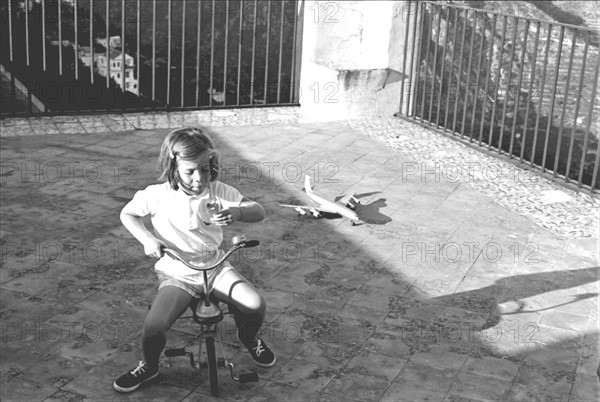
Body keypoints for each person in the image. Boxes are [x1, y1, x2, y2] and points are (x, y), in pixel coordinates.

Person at [113, 127, 275, 393]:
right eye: (190, 171)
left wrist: (236, 212)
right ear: (173, 165)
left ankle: (248, 336)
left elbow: (258, 211)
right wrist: (147, 239)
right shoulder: (157, 194)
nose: (199, 178)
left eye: (205, 168)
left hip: (215, 267)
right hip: (178, 271)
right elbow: (128, 214)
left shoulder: (218, 191)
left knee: (255, 304)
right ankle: (149, 365)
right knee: (154, 326)